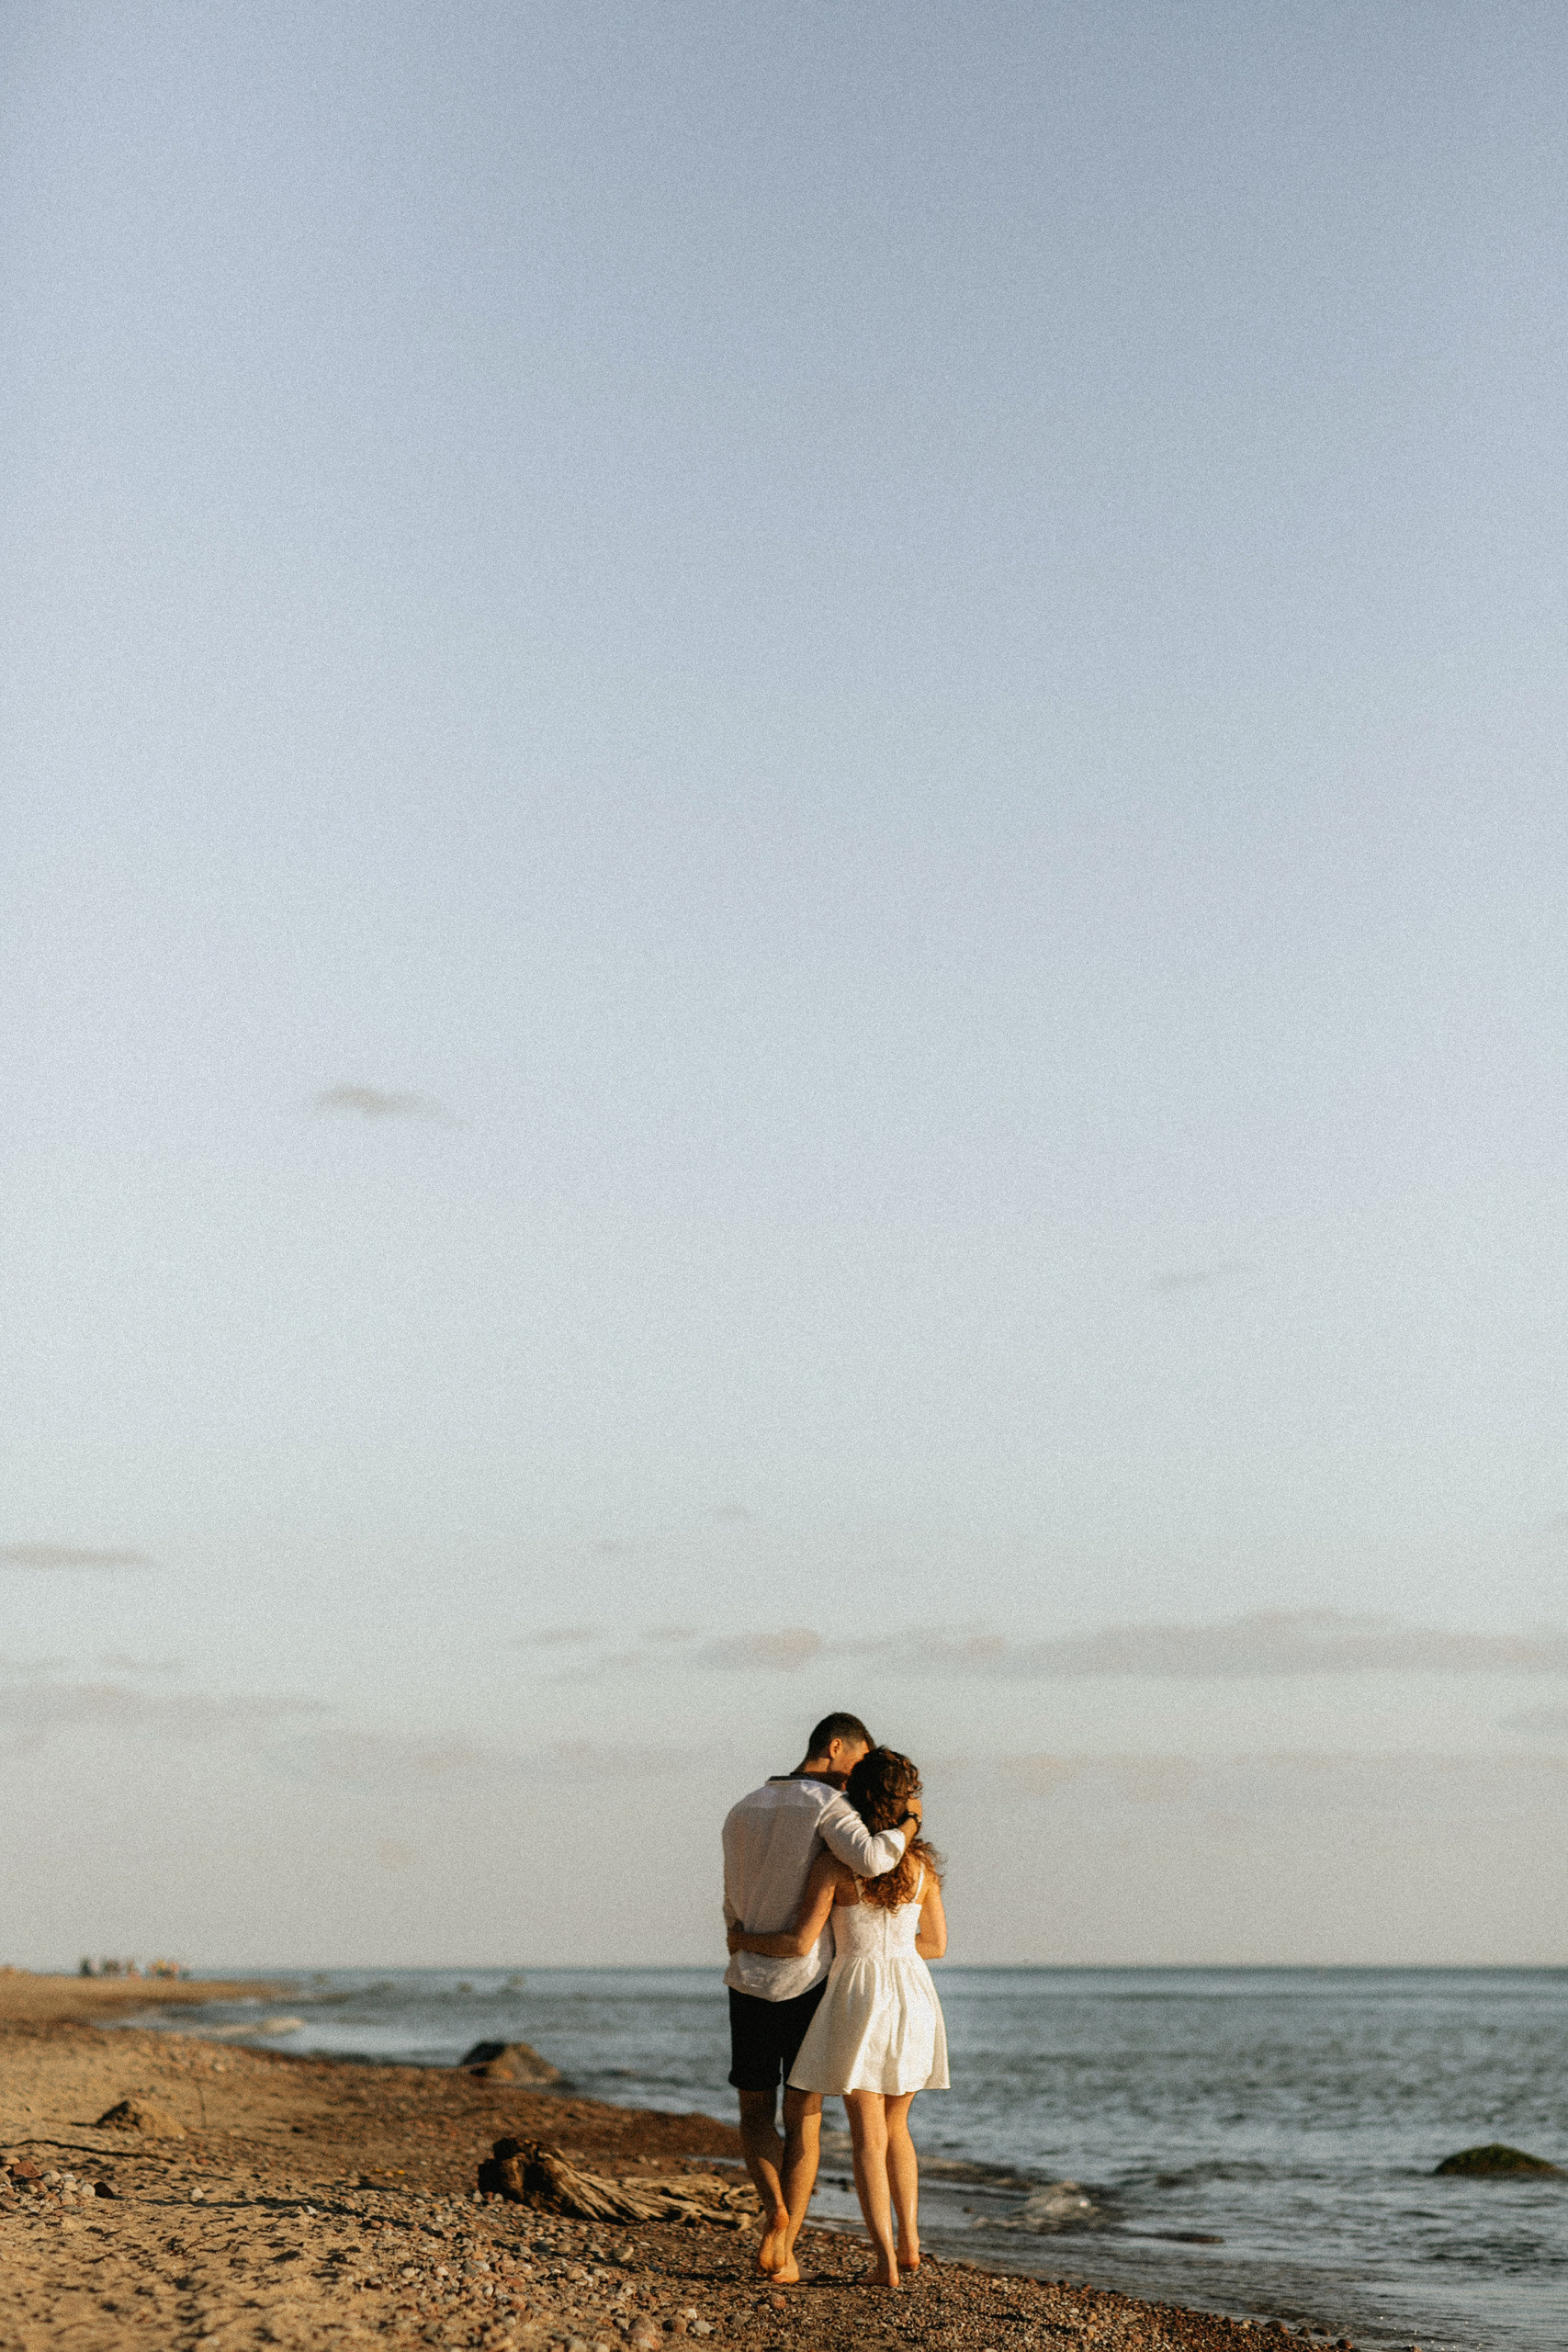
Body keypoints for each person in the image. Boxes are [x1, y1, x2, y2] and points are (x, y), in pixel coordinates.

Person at [728, 1747, 947, 2290]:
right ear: (904, 1804)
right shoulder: (923, 1868)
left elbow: (803, 1940)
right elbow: (936, 1944)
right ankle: (911, 2241)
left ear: (854, 1795)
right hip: (914, 1995)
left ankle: (884, 2265)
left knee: (867, 2138)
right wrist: (896, 1948)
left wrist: (742, 1940)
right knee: (898, 2128)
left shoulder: (834, 1865)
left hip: (857, 1996)